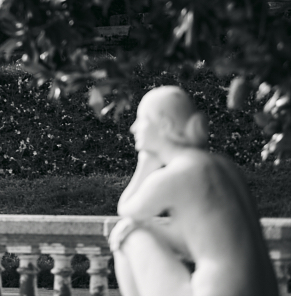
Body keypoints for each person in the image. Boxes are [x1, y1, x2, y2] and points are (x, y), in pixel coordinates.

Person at [109, 85, 276, 296]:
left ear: (164, 125)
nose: (133, 128)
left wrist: (146, 164)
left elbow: (126, 209)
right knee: (135, 227)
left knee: (128, 232)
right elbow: (198, 239)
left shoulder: (175, 174)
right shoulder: (222, 165)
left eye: (141, 119)